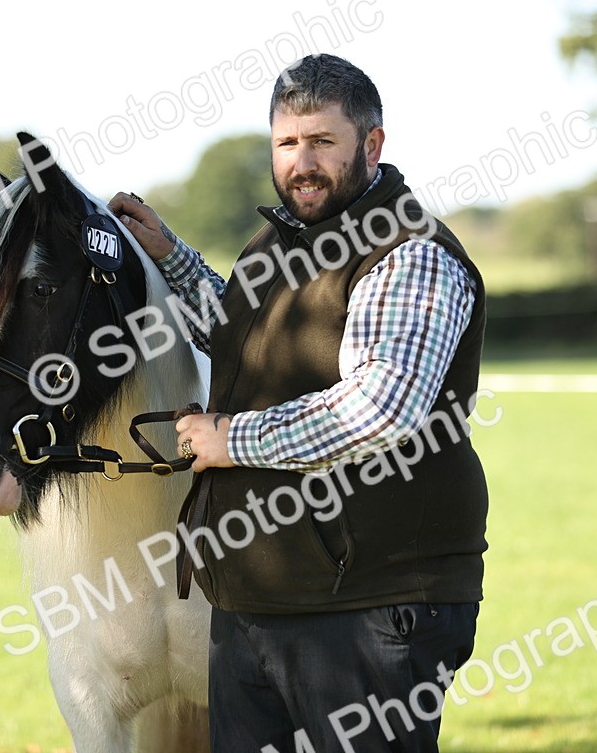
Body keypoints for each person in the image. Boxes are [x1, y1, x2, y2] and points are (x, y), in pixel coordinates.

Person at [109, 53, 488, 752]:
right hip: (258, 598)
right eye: (287, 142)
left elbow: (383, 406)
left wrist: (231, 439)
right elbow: (242, 339)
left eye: (322, 141)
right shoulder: (278, 243)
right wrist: (170, 259)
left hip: (372, 601)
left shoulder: (410, 252)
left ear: (372, 144)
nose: (302, 163)